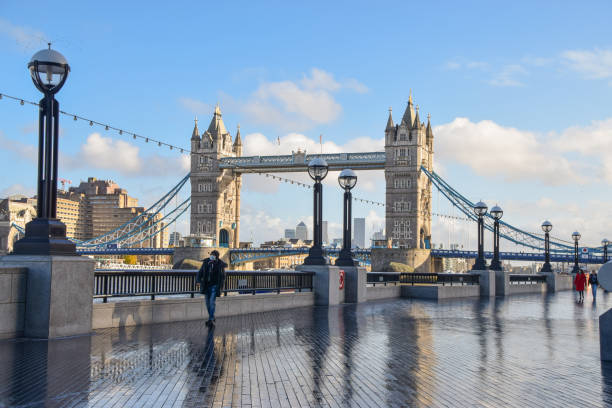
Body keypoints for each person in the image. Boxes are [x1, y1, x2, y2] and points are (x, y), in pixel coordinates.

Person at [197, 250, 227, 327]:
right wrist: (198, 281)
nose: (211, 256)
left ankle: (210, 319)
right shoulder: (206, 263)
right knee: (207, 303)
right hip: (206, 286)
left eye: (213, 255)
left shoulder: (220, 265)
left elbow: (223, 277)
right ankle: (212, 317)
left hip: (215, 286)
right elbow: (200, 273)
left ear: (216, 257)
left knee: (211, 302)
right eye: (211, 255)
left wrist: (221, 287)